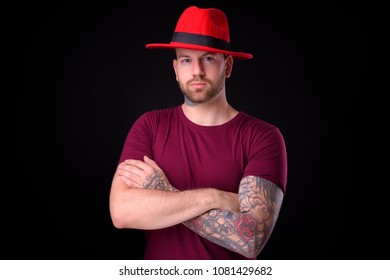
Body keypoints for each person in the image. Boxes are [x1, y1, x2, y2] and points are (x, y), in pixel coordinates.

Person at [109, 5, 287, 260]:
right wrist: (214, 197)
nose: (197, 71)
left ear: (227, 66)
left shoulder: (263, 137)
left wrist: (164, 192)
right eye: (186, 60)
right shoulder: (149, 126)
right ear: (175, 69)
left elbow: (251, 239)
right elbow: (122, 212)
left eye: (208, 58)